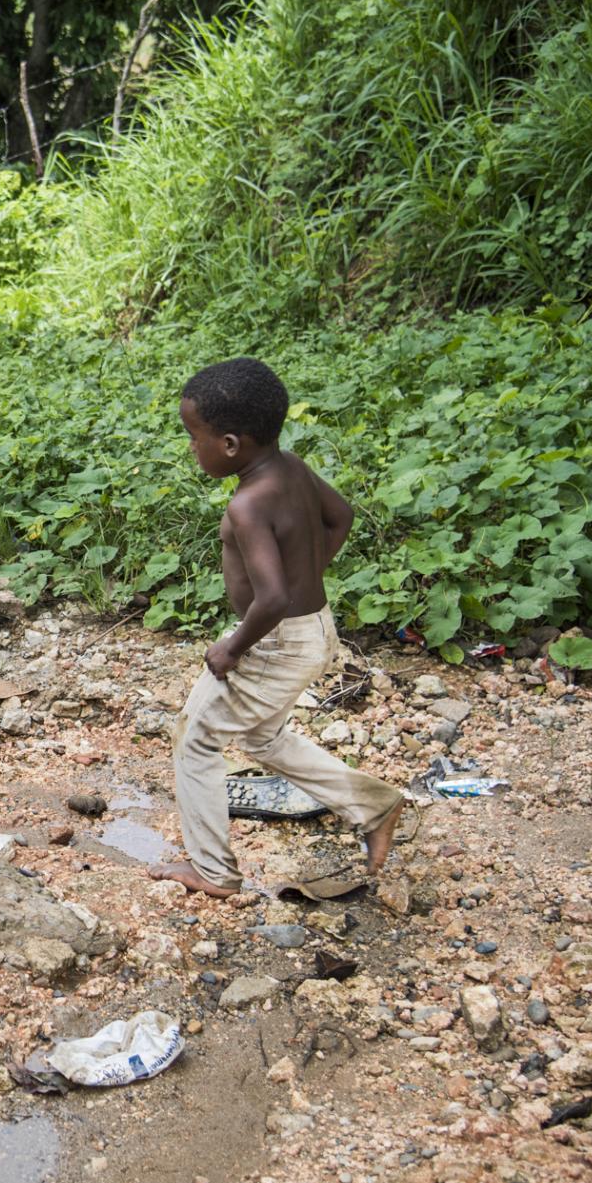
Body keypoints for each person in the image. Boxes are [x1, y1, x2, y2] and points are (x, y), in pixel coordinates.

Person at [147, 356, 405, 897]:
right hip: (313, 629)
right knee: (263, 738)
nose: (193, 448)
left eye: (195, 438)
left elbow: (271, 598)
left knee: (196, 740)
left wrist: (231, 648)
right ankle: (375, 807)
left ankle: (213, 872)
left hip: (274, 641)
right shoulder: (292, 469)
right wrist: (308, 569)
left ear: (232, 444)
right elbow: (342, 516)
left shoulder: (248, 504)